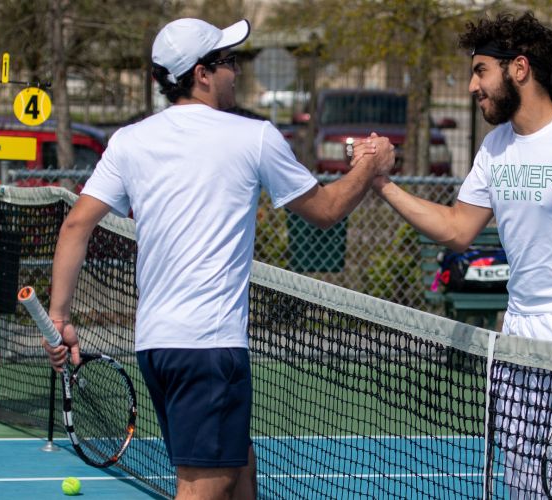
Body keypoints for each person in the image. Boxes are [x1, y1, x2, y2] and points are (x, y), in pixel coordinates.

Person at [42, 18, 395, 500]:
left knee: (238, 466)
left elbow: (75, 225)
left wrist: (58, 316)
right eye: (229, 62)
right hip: (208, 348)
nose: (237, 72)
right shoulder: (254, 137)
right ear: (202, 74)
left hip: (156, 348)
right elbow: (327, 210)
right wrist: (371, 167)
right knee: (203, 488)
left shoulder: (129, 140)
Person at [369, 11, 552, 497]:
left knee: (550, 479)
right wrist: (381, 184)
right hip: (519, 330)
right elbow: (458, 229)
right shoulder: (495, 146)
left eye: (481, 71)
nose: (471, 86)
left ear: (518, 68)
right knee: (524, 482)